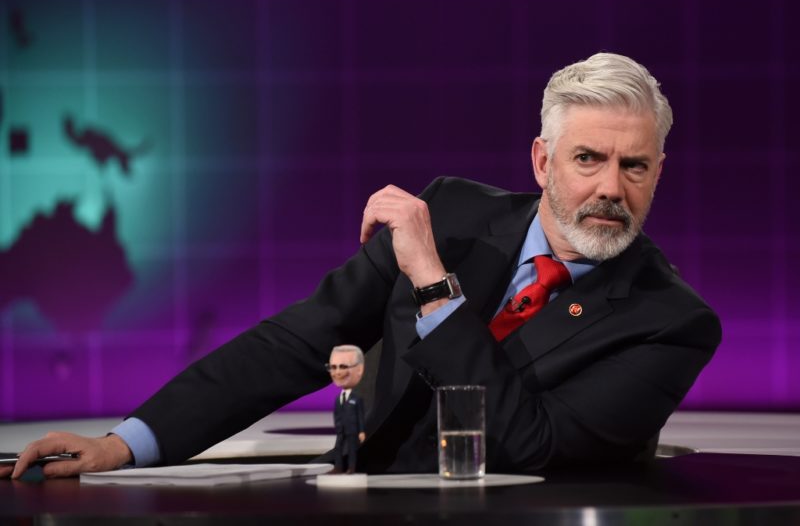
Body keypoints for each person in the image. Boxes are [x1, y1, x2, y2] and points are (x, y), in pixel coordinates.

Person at [3, 52, 721, 479]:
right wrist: (121, 446)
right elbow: (296, 343)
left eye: (634, 166)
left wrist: (434, 285)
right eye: (588, 159)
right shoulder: (450, 212)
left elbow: (531, 445)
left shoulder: (671, 321)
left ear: (658, 173)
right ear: (542, 161)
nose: (610, 188)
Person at [327, 345, 366, 474]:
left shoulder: (356, 398)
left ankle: (351, 468)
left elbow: (360, 415)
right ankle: (338, 468)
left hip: (352, 430)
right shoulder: (338, 399)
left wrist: (361, 431)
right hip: (341, 430)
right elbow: (337, 414)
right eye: (333, 367)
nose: (337, 372)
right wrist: (337, 426)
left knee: (351, 450)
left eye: (343, 367)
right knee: (338, 448)